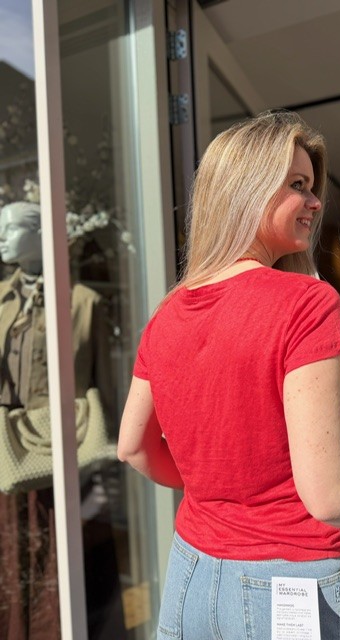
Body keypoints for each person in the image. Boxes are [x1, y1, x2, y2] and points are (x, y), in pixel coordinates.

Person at [118, 111, 340, 640]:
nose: (315, 201)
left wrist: (218, 492)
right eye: (297, 185)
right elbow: (331, 498)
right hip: (291, 579)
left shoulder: (167, 314)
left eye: (312, 187)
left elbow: (132, 448)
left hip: (191, 574)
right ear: (246, 191)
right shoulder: (307, 304)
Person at [0, 201, 124, 639]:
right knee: (13, 561)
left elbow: (106, 387)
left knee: (66, 568)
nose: (1, 238)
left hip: (67, 457)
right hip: (11, 458)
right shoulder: (1, 301)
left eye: (11, 229)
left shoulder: (84, 303)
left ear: (40, 234)